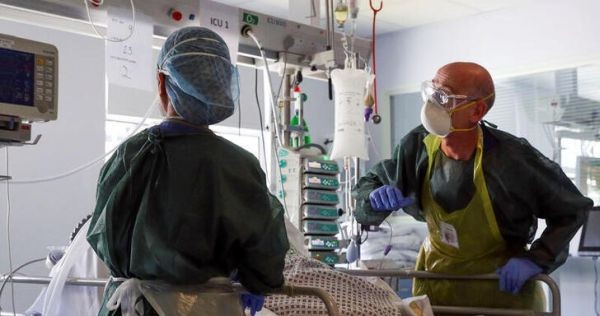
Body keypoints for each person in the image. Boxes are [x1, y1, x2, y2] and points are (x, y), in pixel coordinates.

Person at [352, 62, 592, 311]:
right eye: (432, 92)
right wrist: (373, 197)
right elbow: (368, 187)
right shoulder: (417, 147)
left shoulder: (511, 159)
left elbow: (572, 209)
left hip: (501, 289)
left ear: (476, 111)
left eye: (444, 96)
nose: (432, 104)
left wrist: (537, 259)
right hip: (438, 285)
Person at [86, 26, 289, 316]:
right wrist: (254, 281)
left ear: (161, 81)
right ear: (221, 87)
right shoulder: (239, 166)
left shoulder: (127, 156)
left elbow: (102, 237)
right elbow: (266, 261)